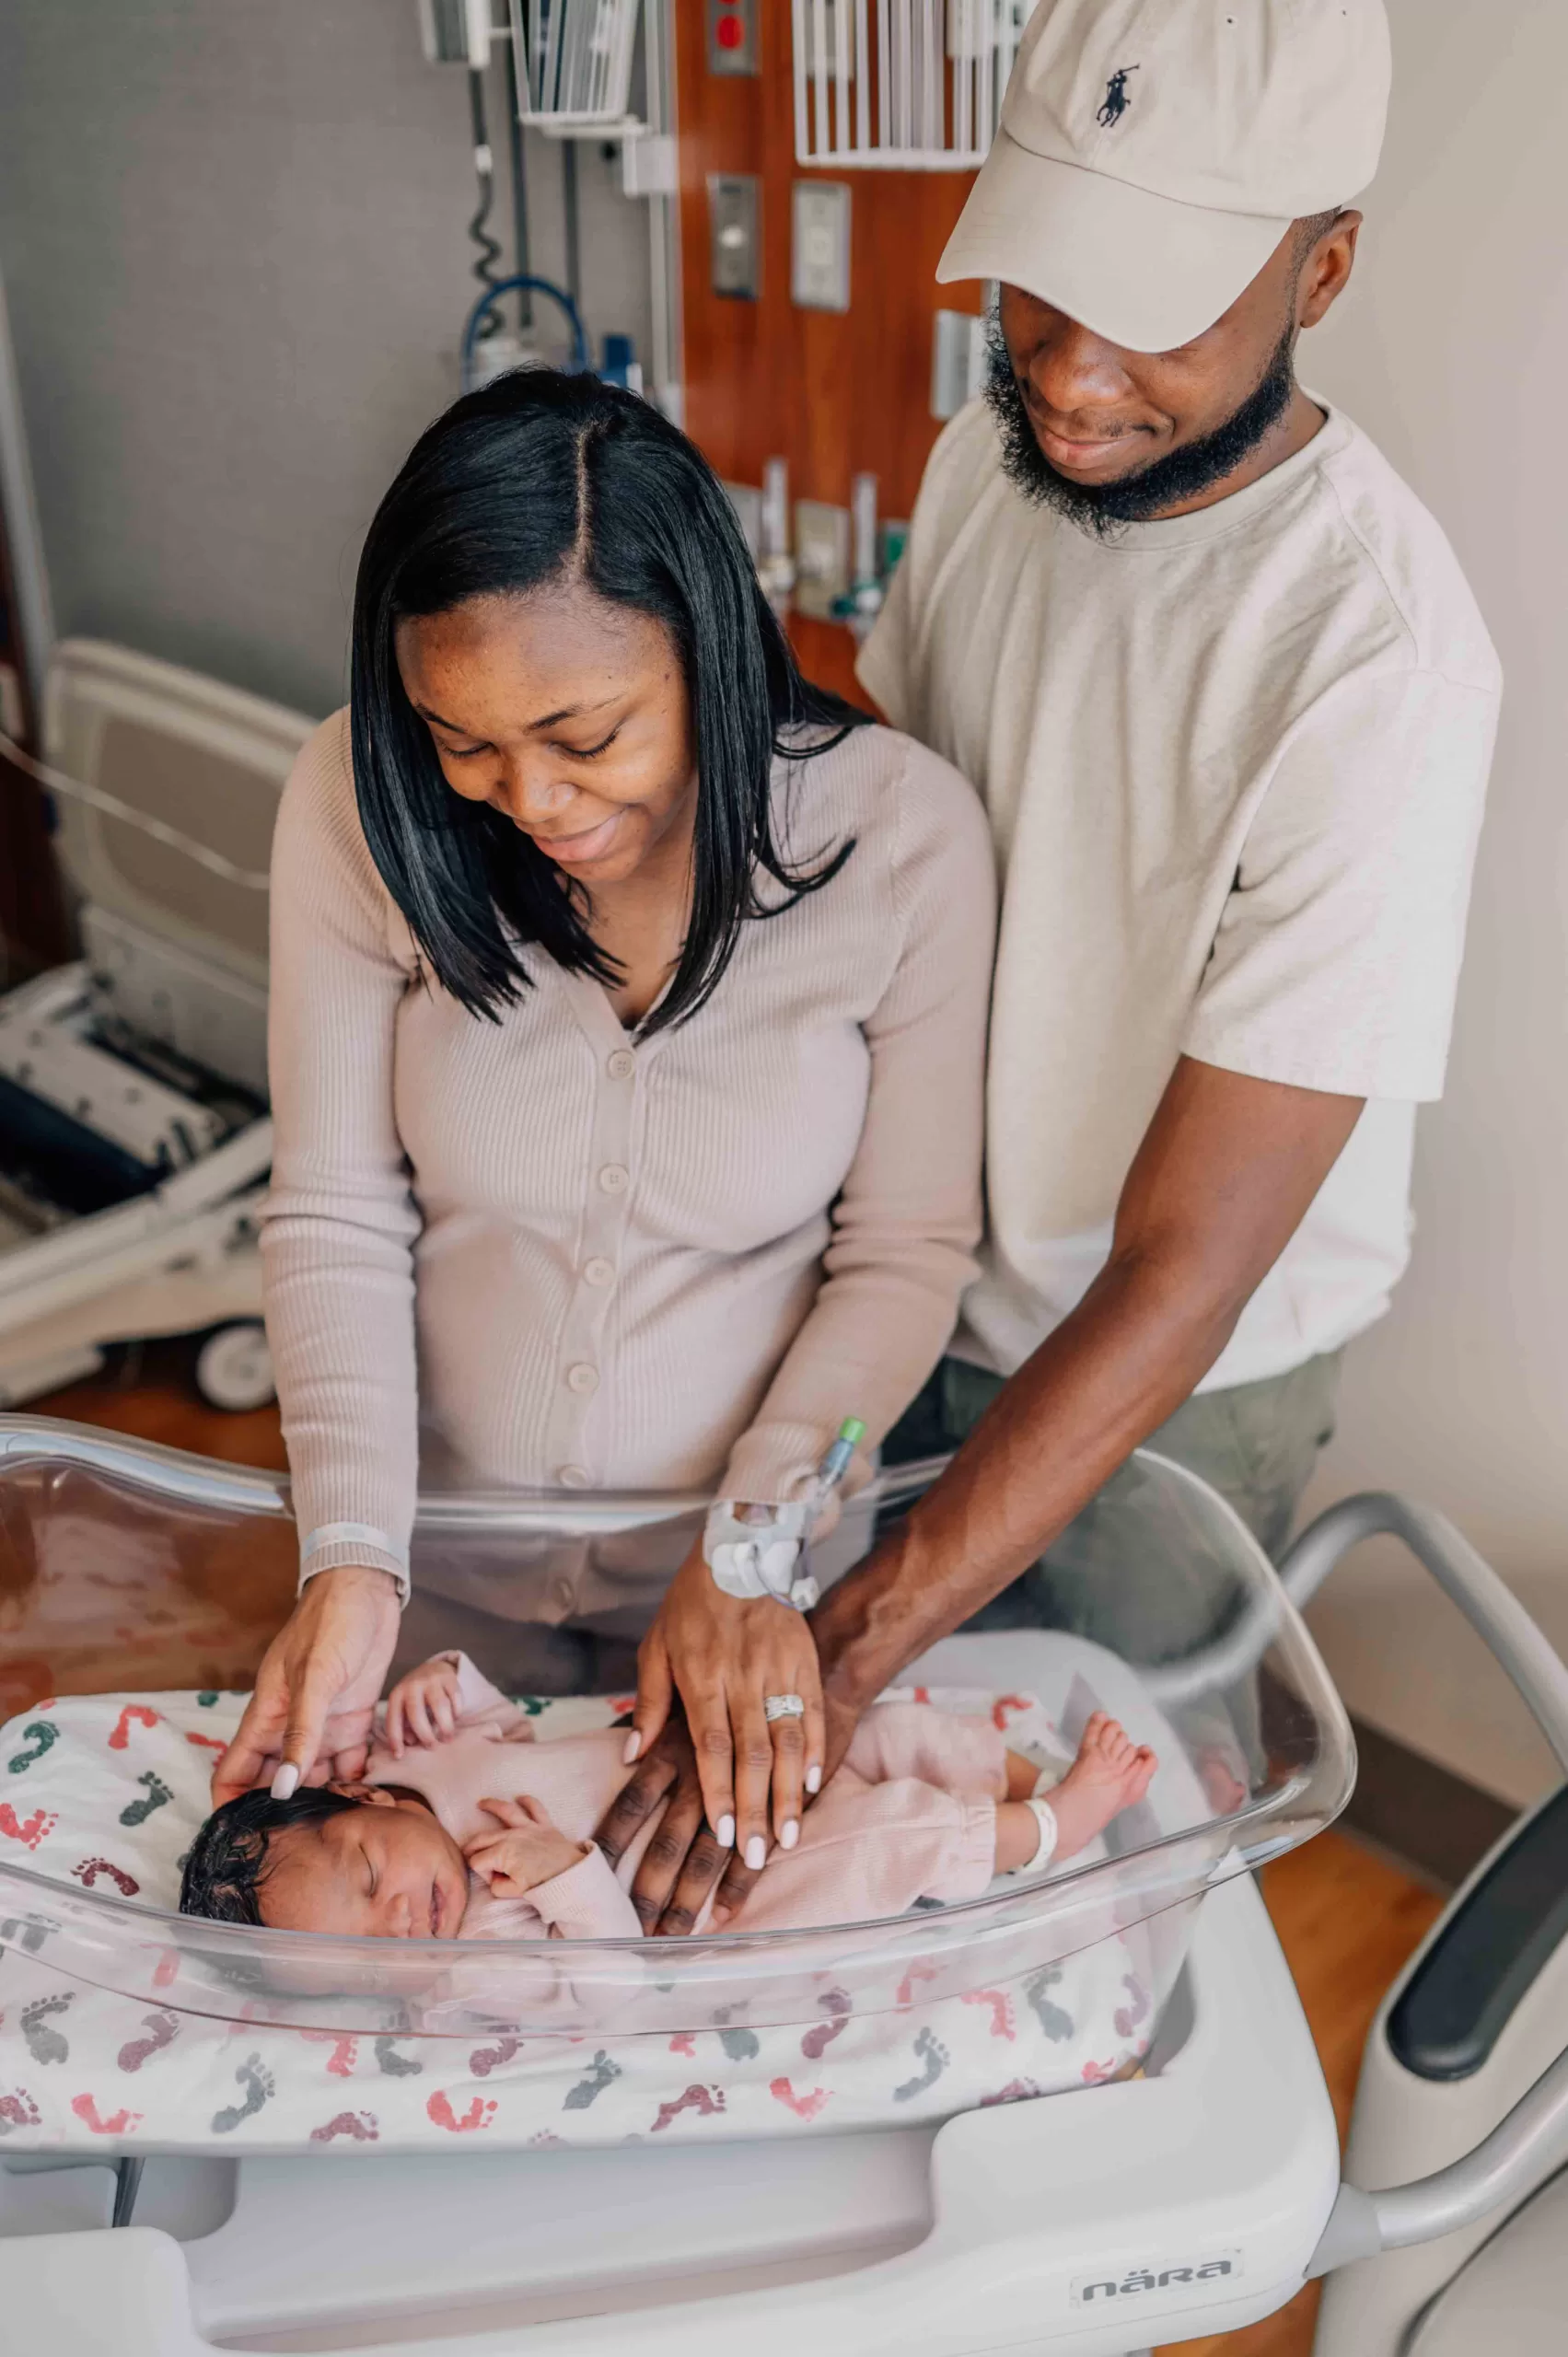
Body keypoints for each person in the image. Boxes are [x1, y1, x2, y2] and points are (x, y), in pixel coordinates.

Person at [608, 0, 1501, 1932]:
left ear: (1320, 265)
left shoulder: (1366, 662)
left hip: (1175, 1365)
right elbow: (910, 805)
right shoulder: (988, 464)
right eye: (1037, 290)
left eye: (1155, 305)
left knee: (1087, 1845)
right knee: (859, 1839)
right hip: (926, 1257)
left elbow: (1183, 1260)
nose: (1073, 371)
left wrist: (847, 1637)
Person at [212, 370, 997, 1892]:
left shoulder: (898, 844)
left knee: (695, 1947)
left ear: (707, 650)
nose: (528, 797)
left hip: (737, 1594)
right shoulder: (355, 806)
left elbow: (903, 1256)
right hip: (435, 1569)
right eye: (462, 740)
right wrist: (353, 1559)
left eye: (585, 733)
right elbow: (331, 1210)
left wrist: (749, 1549)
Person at [185, 1649, 1156, 1939]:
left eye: (366, 1874)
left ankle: (1019, 1770)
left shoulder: (417, 1765)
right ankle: (1050, 1826)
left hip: (738, 1759)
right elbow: (608, 1986)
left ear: (367, 1801)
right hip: (748, 1876)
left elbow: (512, 1721)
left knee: (884, 1729)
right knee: (878, 1836)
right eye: (373, 1948)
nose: (401, 1917)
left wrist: (447, 1684)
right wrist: (564, 1874)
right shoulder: (478, 1942)